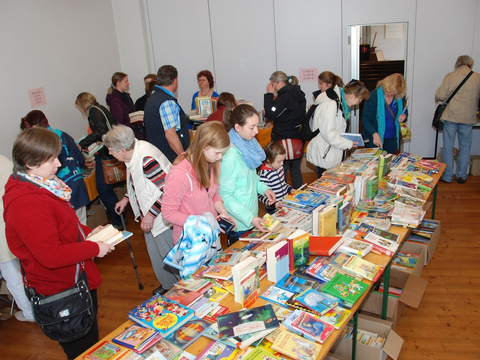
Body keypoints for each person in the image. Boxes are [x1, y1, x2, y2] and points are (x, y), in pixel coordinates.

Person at [3, 127, 114, 360]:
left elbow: (63, 226)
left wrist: (89, 232)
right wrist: (95, 248)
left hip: (75, 279)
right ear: (30, 164)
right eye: (51, 159)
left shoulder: (43, 185)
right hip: (62, 290)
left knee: (91, 342)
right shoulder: (26, 203)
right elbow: (51, 254)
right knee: (82, 349)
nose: (59, 164)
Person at [102, 125, 177, 295]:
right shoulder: (134, 152)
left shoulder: (146, 160)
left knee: (170, 258)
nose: (110, 154)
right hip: (149, 216)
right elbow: (139, 182)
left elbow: (169, 192)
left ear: (122, 150)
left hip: (162, 219)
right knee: (157, 256)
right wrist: (127, 198)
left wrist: (150, 216)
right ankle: (168, 286)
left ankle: (182, 290)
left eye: (111, 151)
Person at [162, 121, 236, 245]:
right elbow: (168, 213)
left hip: (210, 235)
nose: (220, 157)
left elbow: (213, 194)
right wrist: (200, 222)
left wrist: (223, 213)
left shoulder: (213, 162)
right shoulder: (180, 172)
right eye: (217, 153)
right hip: (189, 241)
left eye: (222, 153)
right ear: (203, 147)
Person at [20, 110, 90, 224]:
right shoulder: (63, 134)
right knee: (82, 222)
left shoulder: (42, 143)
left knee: (71, 226)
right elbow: (80, 158)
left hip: (61, 189)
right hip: (77, 182)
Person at [220, 104, 276, 245]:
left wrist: (264, 189)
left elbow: (252, 178)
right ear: (238, 127)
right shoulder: (230, 156)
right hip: (239, 222)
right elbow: (225, 196)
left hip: (250, 216)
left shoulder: (247, 147)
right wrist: (249, 217)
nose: (256, 131)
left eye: (257, 126)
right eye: (252, 127)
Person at [75, 92, 123, 229]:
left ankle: (118, 220)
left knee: (103, 189)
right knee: (106, 188)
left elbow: (100, 131)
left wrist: (83, 143)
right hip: (111, 149)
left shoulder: (93, 112)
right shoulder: (101, 108)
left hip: (105, 155)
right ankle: (120, 217)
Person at [307, 80, 370, 177]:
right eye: (359, 100)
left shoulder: (339, 104)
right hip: (325, 155)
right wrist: (348, 143)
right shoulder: (331, 105)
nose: (358, 103)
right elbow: (329, 135)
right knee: (325, 186)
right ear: (352, 96)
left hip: (330, 153)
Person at [435, 55, 480, 184]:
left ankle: (448, 176)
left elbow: (440, 95)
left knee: (448, 147)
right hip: (468, 117)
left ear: (457, 64)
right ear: (470, 65)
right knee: (465, 147)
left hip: (451, 116)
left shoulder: (450, 76)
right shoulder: (477, 77)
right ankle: (461, 176)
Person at [0, 155, 34, 322]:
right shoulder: (4, 160)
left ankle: (30, 313)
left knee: (12, 276)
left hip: (3, 231)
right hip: (18, 223)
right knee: (26, 269)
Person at [264, 71, 306, 189]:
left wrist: (268, 94)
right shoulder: (299, 94)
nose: (273, 87)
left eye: (273, 84)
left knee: (281, 170)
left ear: (280, 82)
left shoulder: (284, 96)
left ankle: (281, 197)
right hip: (296, 137)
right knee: (296, 170)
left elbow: (271, 114)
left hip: (283, 137)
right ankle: (300, 195)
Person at [144, 65, 190, 163]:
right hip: (170, 156)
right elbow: (171, 135)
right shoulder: (167, 102)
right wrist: (183, 157)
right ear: (174, 81)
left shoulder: (152, 98)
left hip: (157, 153)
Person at [361, 73, 408, 154]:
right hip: (374, 139)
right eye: (387, 90)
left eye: (392, 92)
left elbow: (405, 111)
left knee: (389, 163)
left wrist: (404, 117)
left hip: (392, 139)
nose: (388, 94)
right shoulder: (373, 95)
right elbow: (365, 119)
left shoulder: (400, 97)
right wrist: (374, 134)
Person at [106, 72, 146, 140]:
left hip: (134, 131)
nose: (128, 83)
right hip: (128, 135)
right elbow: (120, 122)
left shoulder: (125, 96)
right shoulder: (115, 101)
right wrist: (138, 125)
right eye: (126, 81)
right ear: (118, 83)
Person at [258, 141, 292, 214]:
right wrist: (274, 204)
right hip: (273, 209)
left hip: (285, 204)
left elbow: (283, 184)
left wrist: (290, 189)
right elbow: (260, 196)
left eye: (283, 160)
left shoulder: (280, 168)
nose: (282, 164)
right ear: (268, 160)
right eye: (279, 161)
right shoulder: (264, 174)